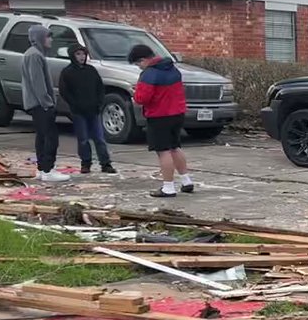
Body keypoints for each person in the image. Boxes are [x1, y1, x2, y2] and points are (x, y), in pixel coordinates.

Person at [127, 44, 193, 198]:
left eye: (138, 64)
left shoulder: (149, 74)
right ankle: (186, 180)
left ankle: (168, 187)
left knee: (163, 151)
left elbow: (143, 98)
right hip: (177, 113)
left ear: (143, 60)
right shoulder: (172, 68)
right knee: (175, 147)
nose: (139, 68)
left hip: (159, 116)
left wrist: (134, 95)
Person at [21, 25, 69, 182]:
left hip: (37, 104)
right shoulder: (34, 55)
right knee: (50, 137)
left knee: (42, 136)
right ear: (40, 38)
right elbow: (38, 83)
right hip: (40, 104)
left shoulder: (34, 54)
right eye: (48, 36)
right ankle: (48, 169)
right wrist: (47, 103)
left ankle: (43, 168)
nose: (51, 40)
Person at [59, 45, 116, 174]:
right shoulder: (67, 72)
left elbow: (100, 88)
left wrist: (99, 103)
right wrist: (74, 104)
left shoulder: (91, 70)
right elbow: (64, 91)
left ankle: (105, 163)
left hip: (93, 110)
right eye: (78, 54)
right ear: (73, 56)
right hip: (78, 111)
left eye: (83, 54)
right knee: (83, 139)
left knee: (99, 138)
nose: (81, 57)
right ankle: (86, 163)